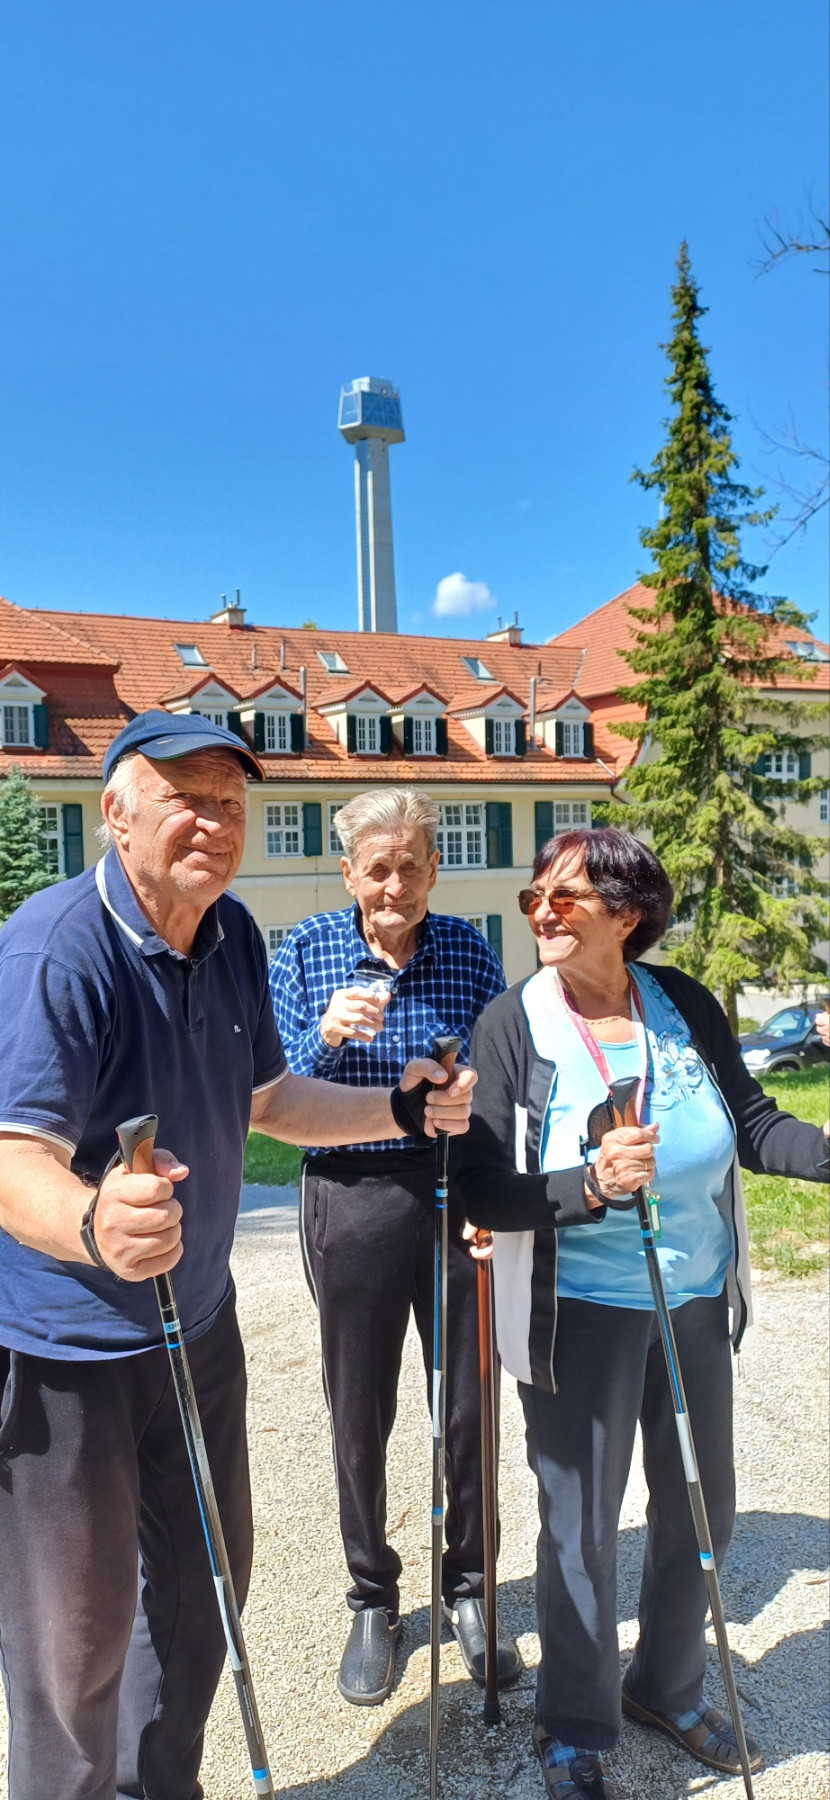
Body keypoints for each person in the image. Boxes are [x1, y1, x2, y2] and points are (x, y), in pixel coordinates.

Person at [0, 713, 475, 1800]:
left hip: (198, 1329)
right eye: (183, 796)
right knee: (70, 1649)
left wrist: (396, 1108)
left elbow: (272, 1103)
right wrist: (90, 1223)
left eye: (229, 801)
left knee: (203, 1594)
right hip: (70, 1349)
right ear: (116, 812)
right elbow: (12, 1153)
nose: (211, 821)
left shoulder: (231, 936)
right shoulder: (53, 948)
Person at [454, 826, 829, 1800]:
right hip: (572, 1316)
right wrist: (584, 1183)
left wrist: (822, 1147)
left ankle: (664, 1684)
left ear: (624, 915)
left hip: (694, 1305)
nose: (541, 909)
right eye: (535, 893)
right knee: (577, 1527)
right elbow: (477, 1189)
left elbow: (750, 1125)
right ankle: (576, 1729)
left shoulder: (684, 1007)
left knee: (699, 1509)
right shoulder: (511, 1026)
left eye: (564, 896)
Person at [269, 788, 523, 1705]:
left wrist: (488, 1159)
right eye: (377, 867)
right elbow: (268, 1090)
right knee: (360, 1406)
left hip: (455, 1190)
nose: (395, 883)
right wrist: (324, 1036)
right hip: (352, 1191)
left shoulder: (465, 947)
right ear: (347, 873)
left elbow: (504, 1070)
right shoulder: (303, 952)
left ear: (432, 868)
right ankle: (373, 1595)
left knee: (467, 1404)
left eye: (412, 863)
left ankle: (468, 1587)